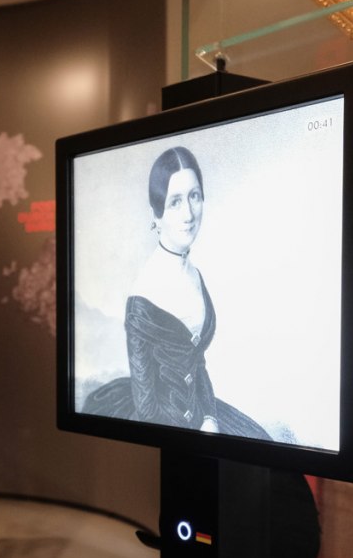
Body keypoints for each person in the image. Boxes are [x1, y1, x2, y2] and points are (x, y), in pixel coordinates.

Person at [83, 146, 269, 439]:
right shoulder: (142, 298)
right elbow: (147, 411)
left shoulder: (195, 276)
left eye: (194, 196)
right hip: (160, 423)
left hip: (199, 412)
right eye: (175, 202)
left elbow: (197, 364)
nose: (189, 214)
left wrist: (208, 416)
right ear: (156, 213)